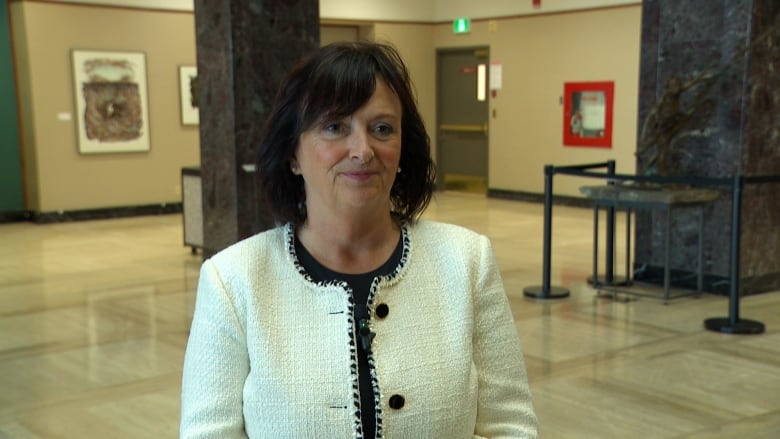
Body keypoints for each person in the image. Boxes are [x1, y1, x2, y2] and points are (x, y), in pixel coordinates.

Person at [180, 41, 538, 438]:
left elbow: (509, 426)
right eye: (335, 127)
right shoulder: (233, 280)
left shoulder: (467, 261)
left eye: (381, 129)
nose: (363, 150)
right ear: (293, 154)